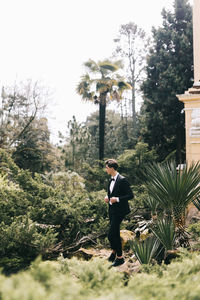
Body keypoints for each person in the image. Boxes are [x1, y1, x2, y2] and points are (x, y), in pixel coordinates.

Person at [104, 159, 133, 267]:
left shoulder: (122, 180)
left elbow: (130, 195)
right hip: (112, 210)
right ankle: (114, 252)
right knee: (115, 233)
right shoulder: (110, 179)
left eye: (107, 167)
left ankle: (120, 258)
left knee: (111, 235)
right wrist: (108, 197)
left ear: (112, 168)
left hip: (120, 211)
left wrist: (117, 199)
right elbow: (112, 193)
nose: (105, 169)